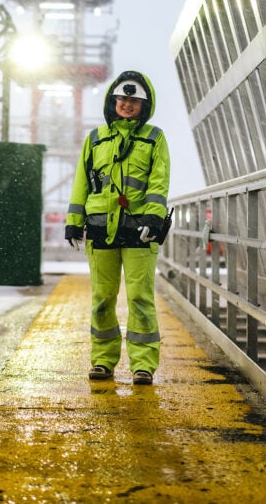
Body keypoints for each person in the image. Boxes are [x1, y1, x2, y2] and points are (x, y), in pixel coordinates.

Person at [64, 70, 170, 385]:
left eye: (134, 100)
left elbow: (158, 180)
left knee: (139, 298)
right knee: (102, 299)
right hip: (100, 229)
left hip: (140, 230)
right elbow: (82, 181)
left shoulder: (154, 138)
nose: (127, 104)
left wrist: (153, 216)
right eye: (122, 98)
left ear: (144, 105)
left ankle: (143, 365)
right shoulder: (95, 139)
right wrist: (73, 220)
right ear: (113, 101)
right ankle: (102, 361)